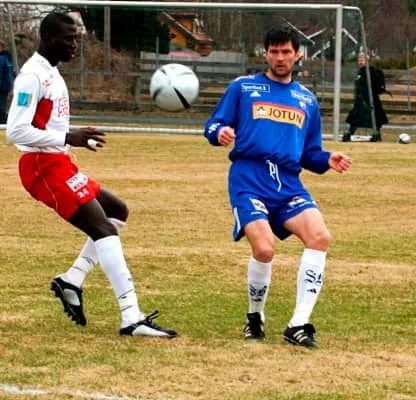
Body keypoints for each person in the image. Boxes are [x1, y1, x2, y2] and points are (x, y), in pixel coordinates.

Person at [6, 12, 176, 338]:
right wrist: (68, 137)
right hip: (41, 167)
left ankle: (71, 280)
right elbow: (15, 131)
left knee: (116, 211)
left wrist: (71, 137)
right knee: (103, 230)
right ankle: (131, 317)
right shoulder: (32, 76)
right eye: (68, 39)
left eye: (76, 39)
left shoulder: (51, 72)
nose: (74, 45)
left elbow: (46, 123)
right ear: (48, 38)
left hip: (58, 162)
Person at [204, 25, 351, 348]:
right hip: (249, 178)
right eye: (274, 52)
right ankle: (255, 316)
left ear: (297, 55)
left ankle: (298, 324)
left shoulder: (306, 100)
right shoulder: (243, 88)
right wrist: (220, 133)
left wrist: (327, 158)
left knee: (320, 237)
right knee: (265, 248)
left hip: (288, 183)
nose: (280, 58)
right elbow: (213, 124)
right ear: (266, 54)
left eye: (286, 52)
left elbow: (309, 153)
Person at [342, 53, 389, 142]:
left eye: (362, 59)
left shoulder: (372, 71)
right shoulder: (360, 72)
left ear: (367, 61)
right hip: (360, 99)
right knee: (356, 118)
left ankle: (377, 134)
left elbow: (376, 87)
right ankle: (350, 133)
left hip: (371, 99)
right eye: (359, 59)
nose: (360, 61)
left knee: (375, 117)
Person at [0, 39, 14, 123]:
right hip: (4, 88)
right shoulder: (6, 58)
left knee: (1, 109)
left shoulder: (5, 58)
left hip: (3, 89)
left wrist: (10, 88)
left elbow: (8, 75)